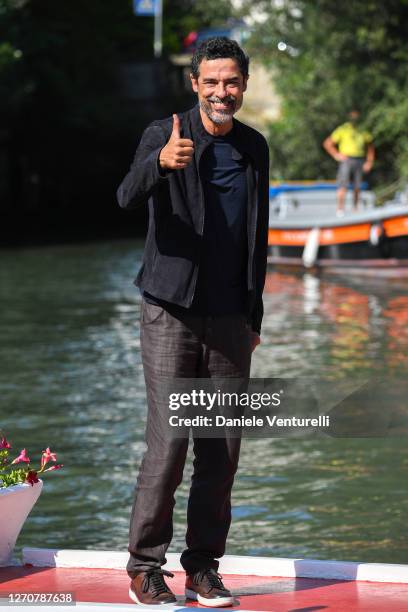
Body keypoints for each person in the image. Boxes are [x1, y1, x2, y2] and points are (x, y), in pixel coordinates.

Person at [116, 36, 270, 607]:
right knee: (171, 441)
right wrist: (159, 165)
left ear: (244, 84)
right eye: (211, 82)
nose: (221, 92)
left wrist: (254, 313)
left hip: (231, 318)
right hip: (170, 311)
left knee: (222, 447)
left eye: (231, 82)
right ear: (195, 84)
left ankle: (203, 568)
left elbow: (258, 234)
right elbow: (125, 195)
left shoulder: (255, 147)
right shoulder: (165, 133)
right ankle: (144, 568)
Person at [323, 109, 375, 216]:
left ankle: (356, 209)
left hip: (359, 159)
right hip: (346, 160)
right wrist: (336, 155)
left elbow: (370, 147)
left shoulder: (362, 130)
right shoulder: (343, 129)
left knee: (357, 186)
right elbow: (327, 143)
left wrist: (369, 162)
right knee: (343, 185)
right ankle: (340, 209)